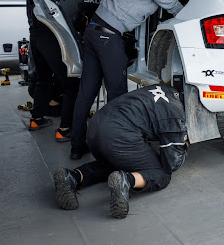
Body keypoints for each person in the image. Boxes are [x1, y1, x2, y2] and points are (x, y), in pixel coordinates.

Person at [70, 0, 189, 160]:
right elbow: (175, 8)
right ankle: (118, 150)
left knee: (86, 93)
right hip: (109, 38)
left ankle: (77, 146)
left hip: (93, 32)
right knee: (118, 96)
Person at [52, 84, 188, 219]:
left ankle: (72, 176)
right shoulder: (176, 115)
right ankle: (126, 181)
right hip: (119, 135)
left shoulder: (163, 88)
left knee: (113, 163)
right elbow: (171, 164)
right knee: (162, 174)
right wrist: (183, 144)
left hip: (95, 127)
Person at [17, 0, 79, 141]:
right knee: (71, 84)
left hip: (35, 37)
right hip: (48, 37)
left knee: (43, 80)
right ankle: (65, 129)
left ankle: (36, 120)